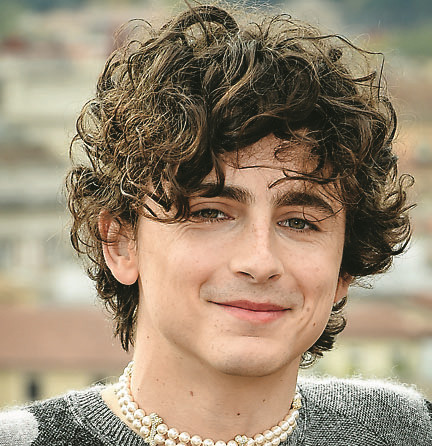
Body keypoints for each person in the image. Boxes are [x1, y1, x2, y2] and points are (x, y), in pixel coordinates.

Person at [1, 3, 431, 445]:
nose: (260, 262)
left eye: (300, 223)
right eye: (210, 213)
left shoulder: (406, 432)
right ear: (121, 243)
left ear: (345, 269)